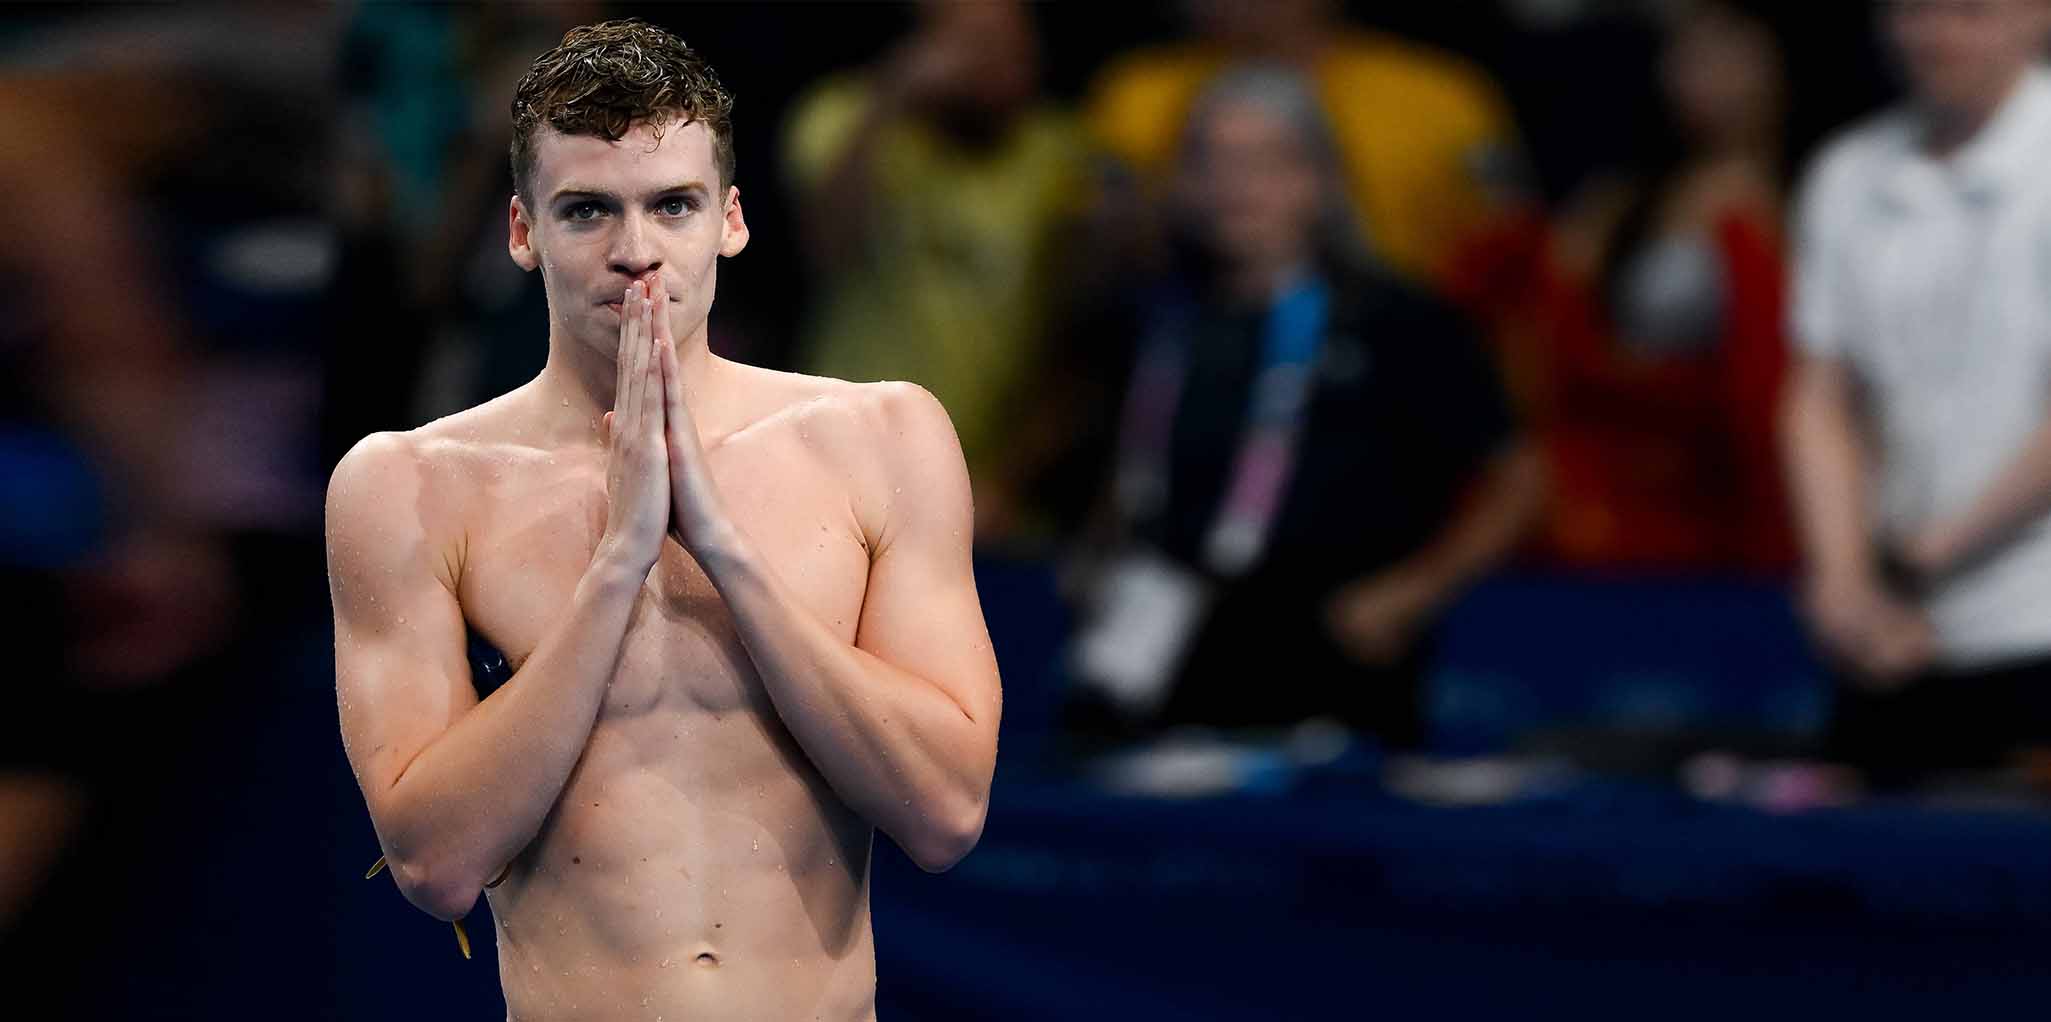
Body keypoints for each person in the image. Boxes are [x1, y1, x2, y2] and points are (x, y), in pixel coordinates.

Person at [327, 20, 1000, 1019]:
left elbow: (944, 814)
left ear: (729, 218)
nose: (636, 252)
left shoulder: (882, 437)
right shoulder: (407, 484)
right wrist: (617, 565)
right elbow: (434, 863)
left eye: (671, 205)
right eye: (587, 210)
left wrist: (722, 547)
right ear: (522, 232)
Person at [1062, 66, 1542, 747]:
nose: (1235, 186)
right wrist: (1098, 554)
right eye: (1211, 162)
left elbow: (1519, 479)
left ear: (1320, 180)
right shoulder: (1151, 316)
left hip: (1330, 664)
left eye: (1266, 162)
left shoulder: (1398, 319)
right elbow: (1131, 457)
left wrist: (1408, 594)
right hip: (1161, 655)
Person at [1784, 0, 2051, 778]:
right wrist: (1841, 580)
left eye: (1969, 11)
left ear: (2036, 14)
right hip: (1890, 633)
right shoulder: (1847, 170)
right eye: (1915, 10)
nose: (1935, 34)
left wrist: (1929, 552)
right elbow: (1821, 392)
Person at [1449, 0, 1795, 573]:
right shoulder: (1619, 202)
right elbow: (1549, 332)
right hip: (1623, 474)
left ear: (1778, 66)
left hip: (1745, 477)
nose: (1707, 76)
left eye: (1732, 54)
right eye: (1690, 55)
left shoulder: (1829, 189)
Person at [783, 0, 1093, 544]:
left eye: (1016, 48)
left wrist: (1008, 481)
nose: (998, 65)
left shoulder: (1060, 157)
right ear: (921, 45)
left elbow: (1077, 350)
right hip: (842, 463)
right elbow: (825, 252)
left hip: (988, 489)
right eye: (975, 45)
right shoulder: (845, 118)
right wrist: (891, 97)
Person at [1083, 0, 1525, 288]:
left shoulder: (1442, 97)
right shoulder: (1135, 97)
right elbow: (1101, 262)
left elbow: (1514, 249)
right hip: (1205, 345)